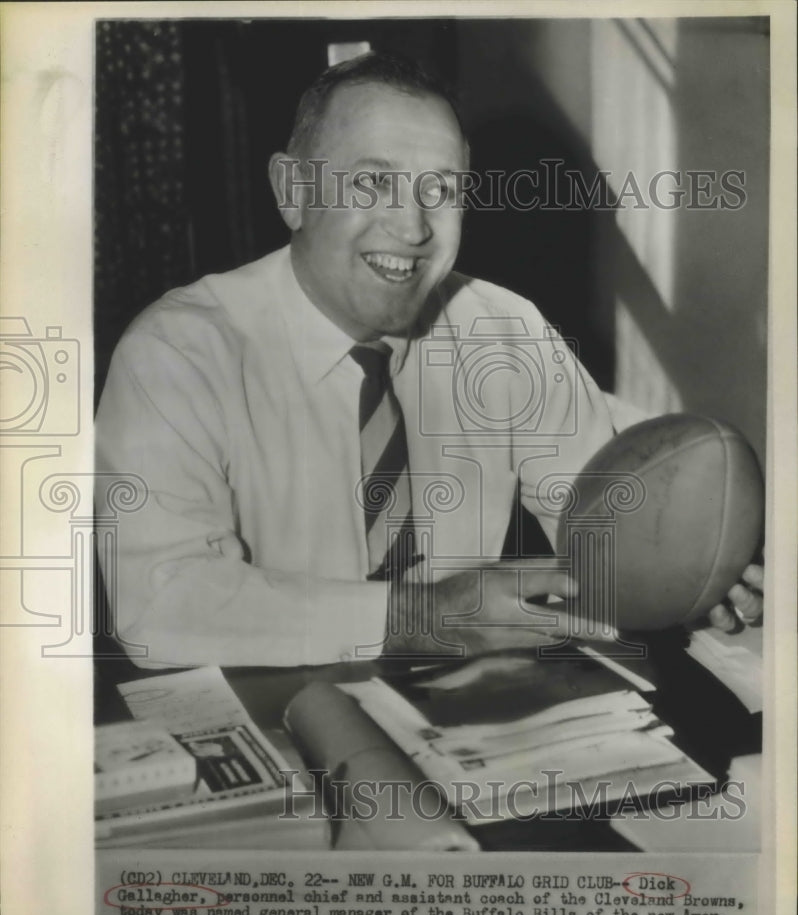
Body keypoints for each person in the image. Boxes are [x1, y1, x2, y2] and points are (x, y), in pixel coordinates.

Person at [95, 52, 763, 670]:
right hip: (283, 724)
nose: (413, 227)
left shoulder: (506, 331)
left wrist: (698, 565)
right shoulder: (176, 353)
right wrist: (419, 617)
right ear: (292, 191)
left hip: (482, 724)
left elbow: (607, 525)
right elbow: (159, 607)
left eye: (440, 190)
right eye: (373, 182)